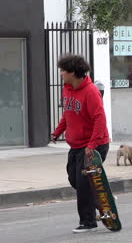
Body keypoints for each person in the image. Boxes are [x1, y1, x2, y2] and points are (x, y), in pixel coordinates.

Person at [51, 55, 110, 233]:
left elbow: (100, 119)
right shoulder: (67, 89)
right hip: (76, 145)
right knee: (74, 179)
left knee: (84, 184)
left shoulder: (91, 92)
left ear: (73, 73)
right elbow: (68, 113)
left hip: (95, 145)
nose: (61, 74)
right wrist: (58, 131)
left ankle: (88, 222)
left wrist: (92, 145)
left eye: (64, 71)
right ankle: (100, 195)